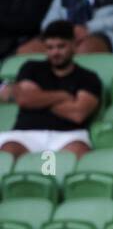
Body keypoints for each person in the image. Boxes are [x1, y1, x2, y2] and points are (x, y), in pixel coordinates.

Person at [0, 22, 100, 159]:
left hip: (67, 136)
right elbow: (25, 100)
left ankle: (48, 176)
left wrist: (39, 100)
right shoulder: (31, 68)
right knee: (7, 152)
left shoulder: (88, 77)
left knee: (78, 153)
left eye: (61, 46)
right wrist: (63, 96)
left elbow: (78, 113)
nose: (55, 52)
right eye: (50, 47)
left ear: (73, 45)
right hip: (26, 133)